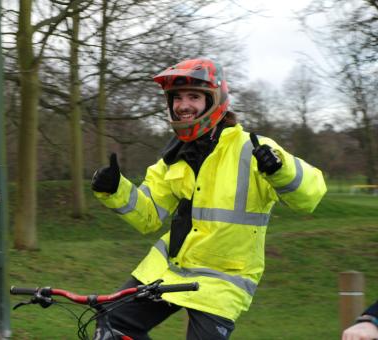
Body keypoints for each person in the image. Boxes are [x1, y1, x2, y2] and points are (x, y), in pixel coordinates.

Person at [90, 58, 327, 340]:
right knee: (111, 325)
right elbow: (149, 215)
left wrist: (279, 170)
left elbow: (311, 195)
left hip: (223, 280)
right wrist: (115, 189)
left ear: (215, 100)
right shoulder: (173, 156)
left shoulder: (253, 148)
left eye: (193, 96)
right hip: (170, 269)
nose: (183, 105)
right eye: (177, 97)